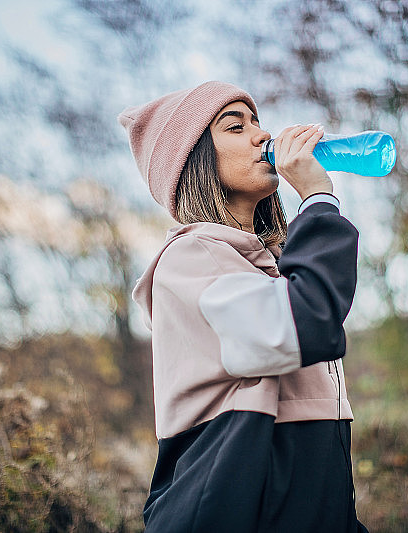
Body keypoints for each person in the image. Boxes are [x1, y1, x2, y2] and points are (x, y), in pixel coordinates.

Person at [119, 81, 368, 533]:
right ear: (191, 162)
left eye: (257, 122)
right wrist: (317, 199)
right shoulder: (193, 257)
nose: (260, 136)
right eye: (235, 126)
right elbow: (307, 322)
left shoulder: (263, 269)